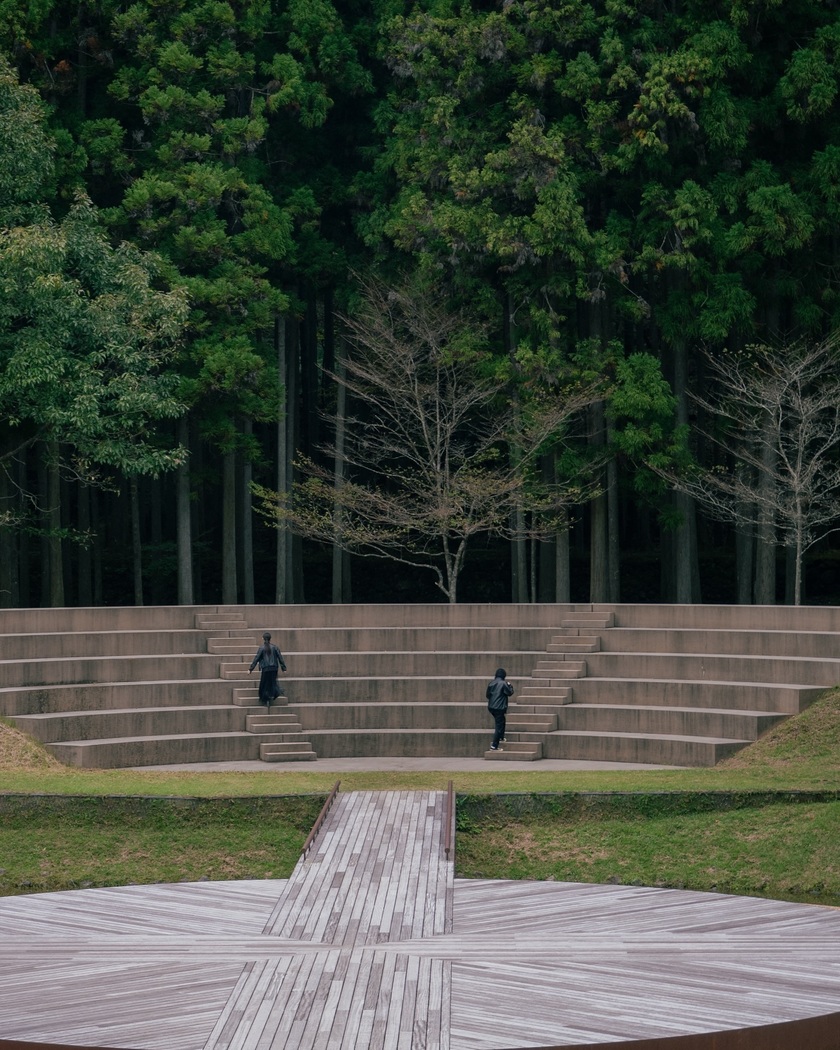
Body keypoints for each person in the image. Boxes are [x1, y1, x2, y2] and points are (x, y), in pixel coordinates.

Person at [248, 632, 287, 707]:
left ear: (263, 638)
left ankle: (266, 699)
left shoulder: (261, 648)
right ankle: (272, 695)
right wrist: (283, 668)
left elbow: (256, 658)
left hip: (266, 668)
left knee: (264, 684)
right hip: (274, 668)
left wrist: (250, 669)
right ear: (270, 639)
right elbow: (280, 658)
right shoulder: (275, 647)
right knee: (272, 683)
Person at [486, 667, 514, 752]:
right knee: (499, 726)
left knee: (502, 721)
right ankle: (494, 746)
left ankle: (501, 737)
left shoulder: (491, 683)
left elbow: (487, 695)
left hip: (491, 707)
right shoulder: (503, 683)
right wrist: (510, 686)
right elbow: (510, 693)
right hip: (499, 707)